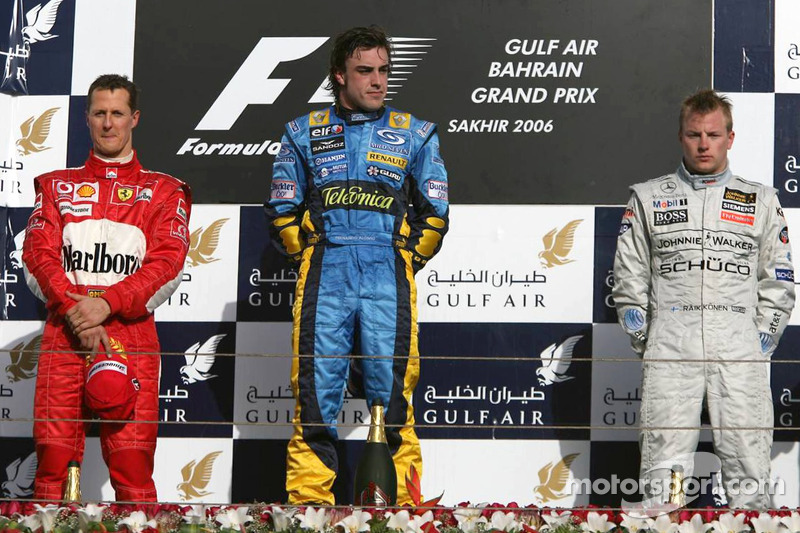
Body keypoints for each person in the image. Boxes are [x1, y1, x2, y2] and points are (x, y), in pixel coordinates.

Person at [264, 26, 449, 505]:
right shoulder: (301, 132)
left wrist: (407, 256)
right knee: (315, 396)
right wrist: (308, 249)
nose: (377, 81)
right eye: (365, 71)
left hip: (388, 273)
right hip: (326, 272)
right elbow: (281, 211)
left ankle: (403, 506)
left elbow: (436, 215)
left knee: (393, 397)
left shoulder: (416, 133)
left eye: (384, 70)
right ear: (338, 76)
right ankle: (309, 506)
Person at [613, 89, 794, 509]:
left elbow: (780, 280)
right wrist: (650, 340)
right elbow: (628, 277)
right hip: (671, 347)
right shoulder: (648, 197)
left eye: (713, 134)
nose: (703, 144)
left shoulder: (762, 200)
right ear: (681, 136)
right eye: (694, 134)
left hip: (738, 348)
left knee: (748, 460)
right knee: (665, 464)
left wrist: (757, 343)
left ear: (730, 137)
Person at [22, 74, 192, 501]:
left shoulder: (164, 191)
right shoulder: (55, 186)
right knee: (51, 465)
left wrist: (106, 305)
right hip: (65, 332)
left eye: (117, 113)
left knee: (133, 470)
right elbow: (37, 256)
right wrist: (79, 312)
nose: (108, 123)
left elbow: (167, 266)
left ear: (134, 118)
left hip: (128, 335)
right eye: (99, 113)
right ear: (86, 118)